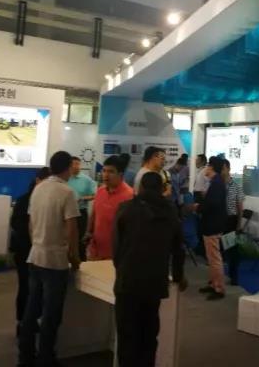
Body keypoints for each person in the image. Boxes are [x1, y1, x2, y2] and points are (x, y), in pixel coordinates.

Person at [113, 171, 186, 367]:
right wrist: (178, 276)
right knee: (149, 335)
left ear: (141, 188)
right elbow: (178, 248)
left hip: (128, 281)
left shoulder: (126, 209)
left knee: (127, 336)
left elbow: (117, 247)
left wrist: (120, 270)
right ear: (162, 189)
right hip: (154, 282)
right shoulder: (170, 212)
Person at [18, 151, 81, 367]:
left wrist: (37, 243)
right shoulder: (67, 192)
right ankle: (46, 358)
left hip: (35, 256)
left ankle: (25, 357)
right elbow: (71, 229)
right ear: (68, 168)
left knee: (31, 310)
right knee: (51, 314)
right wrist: (74, 257)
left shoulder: (39, 188)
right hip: (55, 261)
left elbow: (30, 224)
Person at [10, 167, 51, 328]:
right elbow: (16, 224)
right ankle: (22, 322)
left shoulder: (47, 200)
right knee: (25, 287)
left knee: (39, 289)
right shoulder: (24, 200)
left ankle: (33, 320)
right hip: (25, 250)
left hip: (41, 251)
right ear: (37, 180)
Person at [86, 155, 134, 260]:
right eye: (104, 171)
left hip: (116, 255)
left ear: (120, 174)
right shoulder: (100, 191)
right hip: (95, 250)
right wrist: (88, 232)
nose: (106, 175)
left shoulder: (130, 196)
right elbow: (94, 214)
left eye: (111, 171)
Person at [197, 156, 227, 300]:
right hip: (211, 224)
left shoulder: (217, 183)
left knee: (214, 258)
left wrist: (199, 207)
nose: (205, 169)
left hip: (212, 225)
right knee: (211, 257)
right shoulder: (216, 182)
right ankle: (213, 283)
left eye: (208, 165)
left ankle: (219, 288)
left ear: (212, 167)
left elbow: (212, 204)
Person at [67, 156, 96, 258]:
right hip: (67, 213)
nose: (75, 166)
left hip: (81, 212)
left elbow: (94, 195)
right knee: (67, 237)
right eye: (73, 164)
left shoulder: (87, 180)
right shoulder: (66, 178)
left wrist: (83, 198)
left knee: (81, 238)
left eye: (77, 164)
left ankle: (81, 259)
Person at [222, 159, 245, 286]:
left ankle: (233, 276)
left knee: (232, 249)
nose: (222, 171)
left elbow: (240, 207)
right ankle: (218, 276)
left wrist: (239, 224)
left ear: (228, 169)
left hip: (231, 220)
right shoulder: (218, 185)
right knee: (220, 250)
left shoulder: (236, 186)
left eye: (223, 168)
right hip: (220, 219)